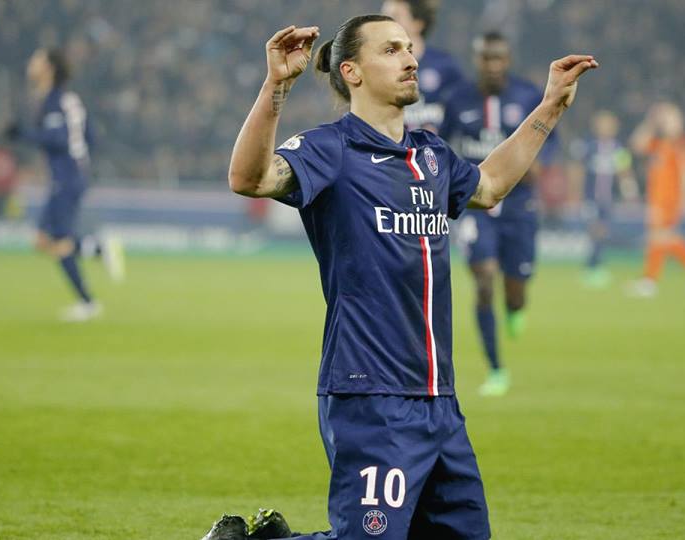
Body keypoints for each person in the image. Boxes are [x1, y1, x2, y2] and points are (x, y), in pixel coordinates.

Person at [202, 15, 596, 540]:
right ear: (352, 71)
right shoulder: (331, 149)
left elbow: (490, 186)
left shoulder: (431, 154)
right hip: (370, 396)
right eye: (390, 50)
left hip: (439, 401)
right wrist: (277, 86)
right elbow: (248, 178)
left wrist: (549, 107)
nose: (410, 59)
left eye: (409, 48)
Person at [440, 31, 560, 397]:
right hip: (475, 204)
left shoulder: (527, 95)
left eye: (498, 58)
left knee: (515, 291)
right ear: (477, 60)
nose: (492, 65)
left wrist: (541, 162)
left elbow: (550, 136)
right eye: (486, 58)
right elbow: (442, 144)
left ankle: (514, 308)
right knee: (484, 279)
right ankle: (495, 368)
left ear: (507, 60)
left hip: (519, 204)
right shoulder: (457, 99)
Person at [6, 48, 125, 321]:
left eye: (37, 59)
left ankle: (88, 302)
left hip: (66, 177)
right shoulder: (69, 99)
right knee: (42, 241)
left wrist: (22, 134)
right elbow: (90, 136)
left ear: (49, 68)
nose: (31, 63)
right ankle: (98, 250)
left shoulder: (52, 101)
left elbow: (58, 138)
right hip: (72, 175)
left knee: (61, 242)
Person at [626, 102, 685, 297]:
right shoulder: (658, 143)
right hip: (656, 197)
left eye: (671, 118)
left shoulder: (682, 143)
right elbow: (636, 144)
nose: (667, 122)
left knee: (659, 236)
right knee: (659, 237)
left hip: (669, 199)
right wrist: (650, 122)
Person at [569, 110, 637, 288]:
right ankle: (593, 266)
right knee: (595, 229)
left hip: (608, 199)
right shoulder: (588, 146)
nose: (606, 128)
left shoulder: (618, 149)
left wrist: (629, 193)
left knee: (602, 231)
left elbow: (624, 172)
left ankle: (594, 265)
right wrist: (575, 193)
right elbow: (577, 169)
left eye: (609, 125)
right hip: (590, 198)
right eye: (602, 124)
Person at [381, 0, 464, 132]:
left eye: (395, 17)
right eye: (383, 17)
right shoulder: (377, 68)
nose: (384, 25)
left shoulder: (445, 66)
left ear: (417, 23)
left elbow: (464, 112)